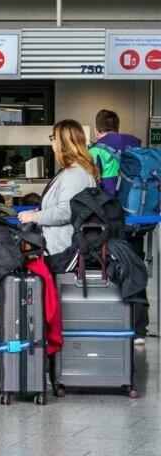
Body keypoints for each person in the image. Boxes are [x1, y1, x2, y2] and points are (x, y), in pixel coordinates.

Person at [88, 109, 148, 344]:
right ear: (118, 126)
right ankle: (139, 328)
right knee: (136, 267)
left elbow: (103, 189)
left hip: (111, 222)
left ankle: (114, 322)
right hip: (138, 220)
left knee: (109, 270)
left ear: (97, 129)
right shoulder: (135, 145)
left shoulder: (96, 151)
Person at [18, 119, 98, 257]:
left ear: (62, 142)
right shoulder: (72, 171)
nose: (52, 143)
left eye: (53, 137)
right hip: (62, 248)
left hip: (63, 251)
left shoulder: (75, 174)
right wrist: (39, 211)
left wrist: (34, 216)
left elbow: (65, 212)